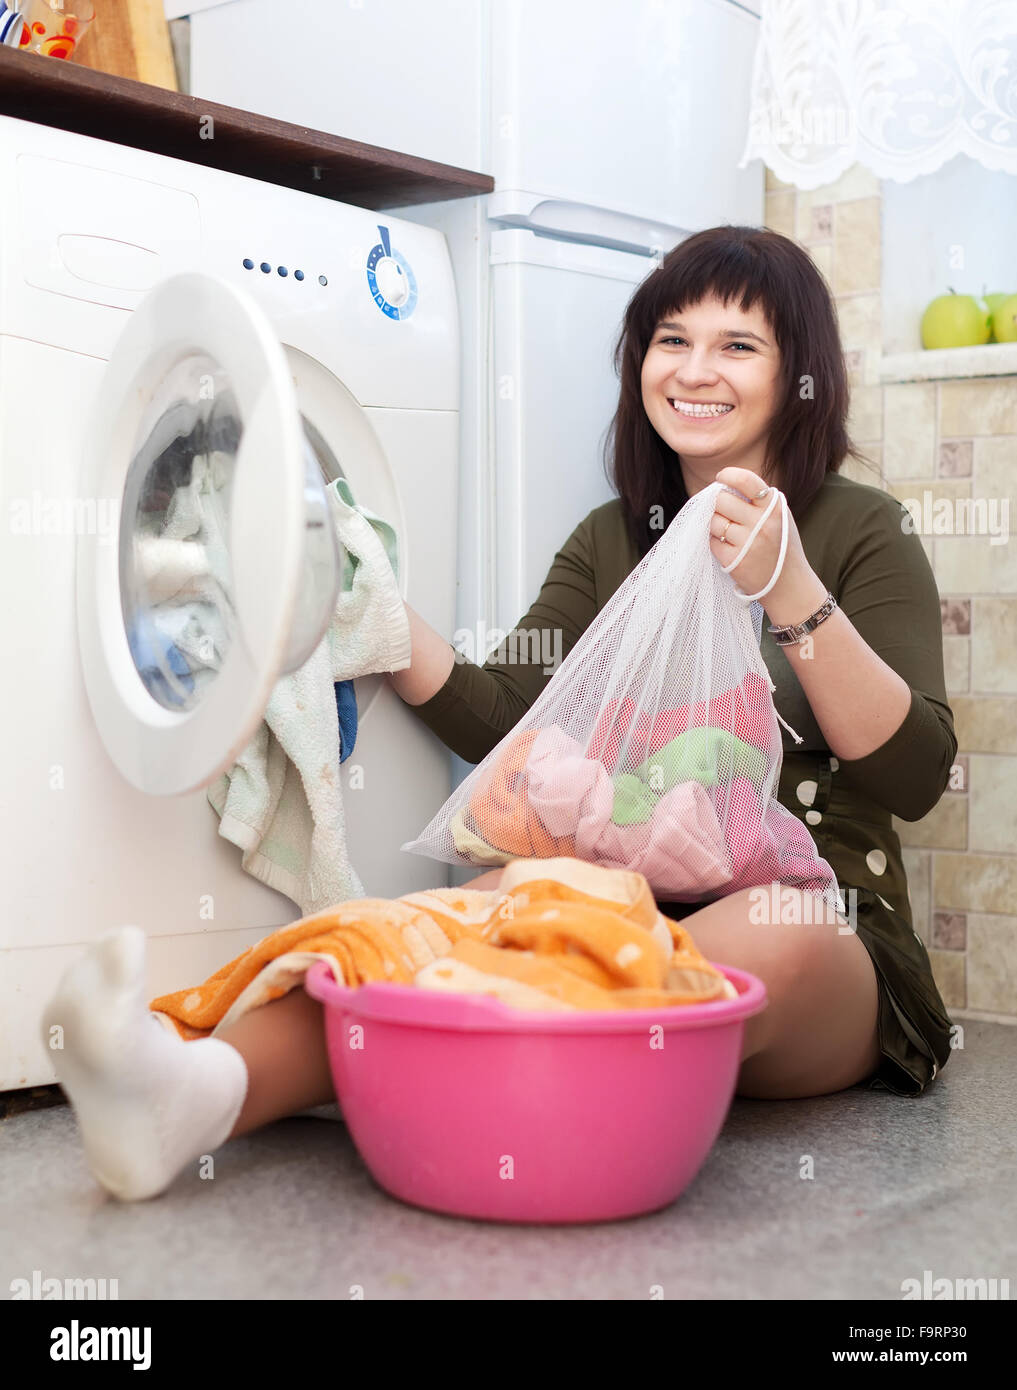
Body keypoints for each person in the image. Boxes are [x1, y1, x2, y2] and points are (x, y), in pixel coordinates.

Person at [42, 226, 956, 1204]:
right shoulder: (611, 540)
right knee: (465, 916)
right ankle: (194, 1091)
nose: (697, 370)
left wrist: (794, 595)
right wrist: (363, 603)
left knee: (746, 929)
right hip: (624, 899)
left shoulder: (860, 530)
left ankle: (455, 1082)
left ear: (797, 374)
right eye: (671, 338)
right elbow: (514, 723)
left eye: (738, 345)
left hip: (828, 928)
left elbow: (914, 776)